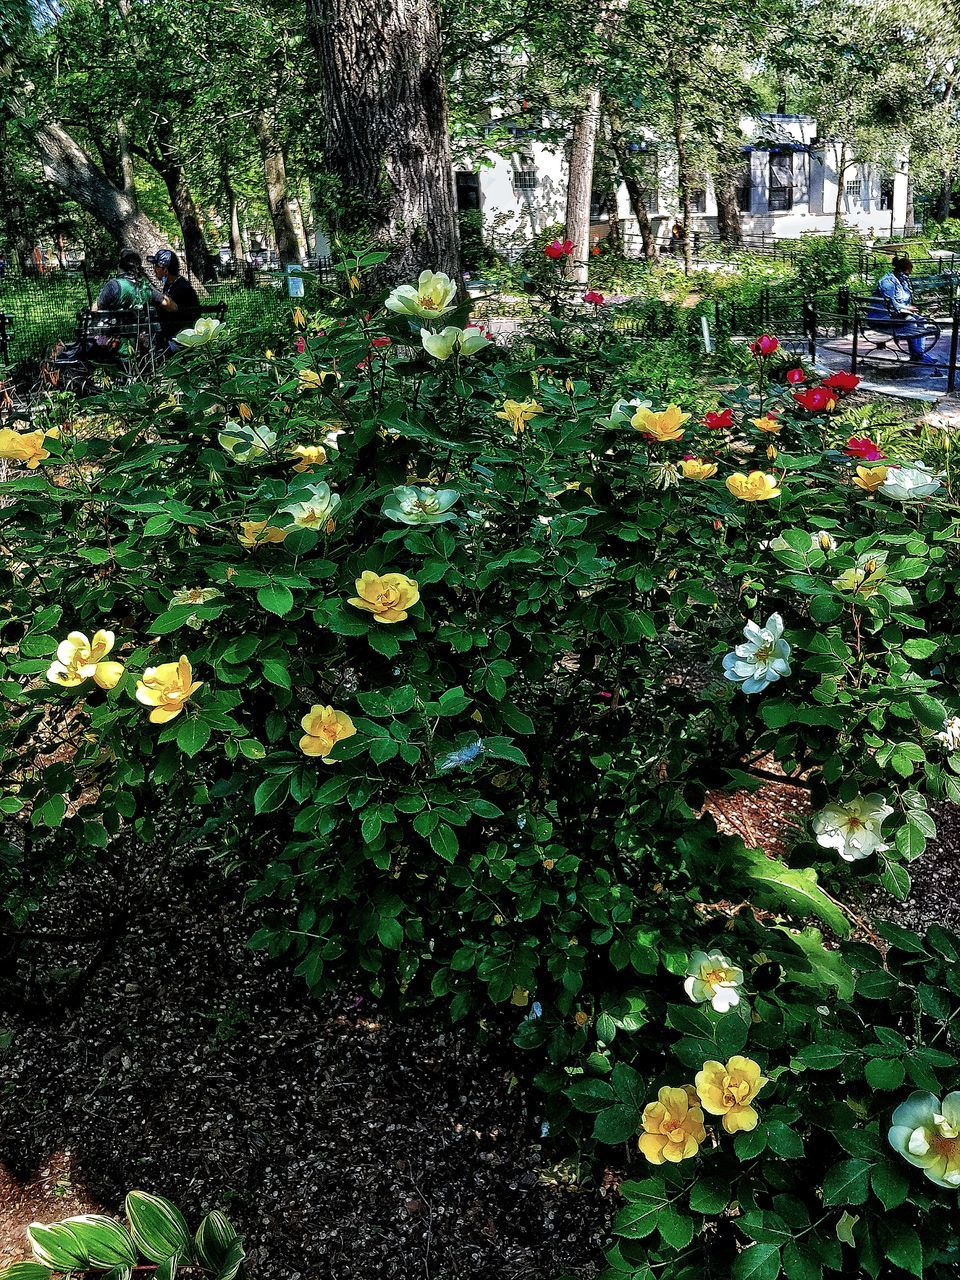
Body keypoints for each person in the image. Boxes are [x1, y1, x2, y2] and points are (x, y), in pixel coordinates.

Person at [867, 255, 937, 366]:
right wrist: (906, 308)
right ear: (900, 270)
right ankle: (918, 355)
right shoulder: (887, 282)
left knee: (921, 320)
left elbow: (902, 301)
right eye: (907, 273)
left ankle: (918, 355)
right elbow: (891, 303)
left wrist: (907, 308)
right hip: (882, 318)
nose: (908, 276)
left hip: (893, 315)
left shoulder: (901, 281)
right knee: (912, 323)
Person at [145, 248, 200, 350]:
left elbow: (173, 308)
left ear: (165, 270)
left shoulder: (181, 287)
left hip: (181, 338)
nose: (154, 269)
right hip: (173, 334)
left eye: (156, 266)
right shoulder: (171, 284)